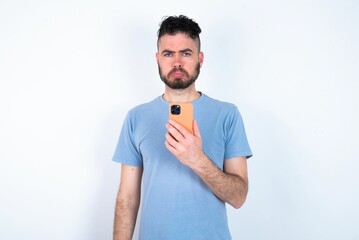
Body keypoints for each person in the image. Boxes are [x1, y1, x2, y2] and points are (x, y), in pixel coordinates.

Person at [112, 15, 252, 240]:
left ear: (200, 59)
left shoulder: (228, 114)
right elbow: (127, 199)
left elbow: (239, 197)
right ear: (158, 59)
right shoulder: (136, 118)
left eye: (186, 53)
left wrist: (197, 159)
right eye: (168, 54)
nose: (177, 62)